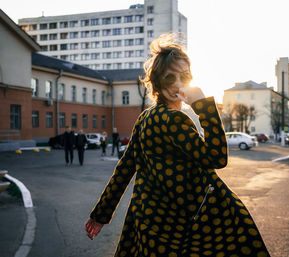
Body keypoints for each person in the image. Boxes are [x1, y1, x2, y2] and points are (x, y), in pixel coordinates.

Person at [85, 34, 270, 257]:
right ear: (156, 83)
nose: (179, 83)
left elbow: (124, 169)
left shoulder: (145, 118)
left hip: (147, 222)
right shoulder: (174, 120)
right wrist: (205, 107)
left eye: (184, 75)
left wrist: (101, 214)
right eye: (169, 78)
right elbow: (217, 158)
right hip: (179, 226)